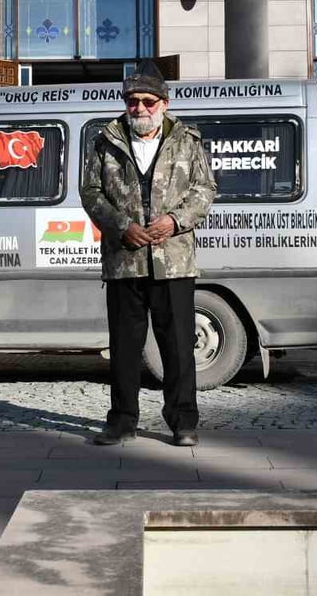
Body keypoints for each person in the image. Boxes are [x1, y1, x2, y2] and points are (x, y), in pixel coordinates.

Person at [81, 61, 218, 446]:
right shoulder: (105, 140)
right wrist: (124, 227)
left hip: (173, 262)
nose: (139, 108)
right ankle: (122, 421)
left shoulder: (188, 141)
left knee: (177, 346)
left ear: (163, 103)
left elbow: (205, 190)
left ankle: (183, 422)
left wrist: (175, 221)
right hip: (125, 260)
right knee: (124, 348)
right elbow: (90, 192)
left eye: (147, 101)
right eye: (132, 101)